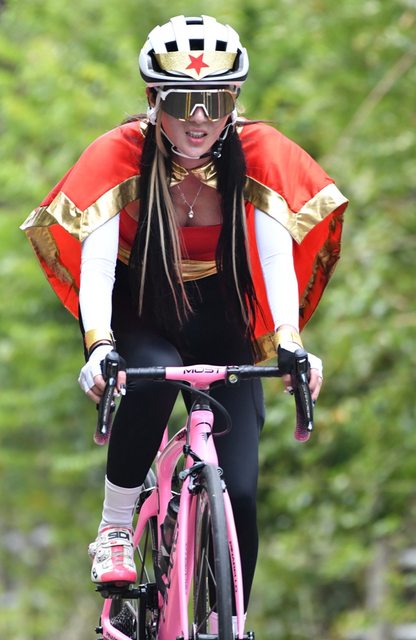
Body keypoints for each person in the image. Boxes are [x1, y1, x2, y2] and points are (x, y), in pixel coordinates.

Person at [21, 14, 348, 629]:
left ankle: (229, 621)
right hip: (139, 305)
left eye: (216, 101)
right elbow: (97, 264)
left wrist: (291, 341)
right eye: (181, 101)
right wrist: (99, 345)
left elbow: (275, 255)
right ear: (153, 98)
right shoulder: (120, 152)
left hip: (222, 311)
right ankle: (117, 528)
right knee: (153, 374)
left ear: (235, 99)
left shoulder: (258, 152)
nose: (199, 118)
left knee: (241, 492)